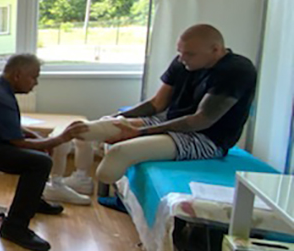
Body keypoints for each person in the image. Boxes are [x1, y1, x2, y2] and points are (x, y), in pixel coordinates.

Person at [48, 24, 257, 190]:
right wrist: (117, 117)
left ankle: (95, 178)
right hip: (168, 121)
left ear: (216, 50)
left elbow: (200, 120)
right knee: (83, 128)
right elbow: (157, 103)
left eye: (190, 54)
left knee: (116, 159)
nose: (182, 58)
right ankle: (80, 180)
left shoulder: (236, 71)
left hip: (206, 138)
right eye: (180, 52)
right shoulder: (183, 61)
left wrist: (138, 132)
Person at [0, 54, 86, 251]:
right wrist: (60, 138)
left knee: (39, 159)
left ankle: (33, 201)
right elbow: (18, 143)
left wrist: (36, 136)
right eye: (33, 77)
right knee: (40, 163)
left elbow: (9, 126)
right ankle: (14, 227)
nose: (36, 83)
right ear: (17, 75)